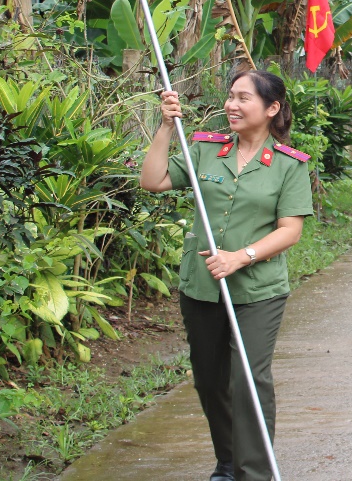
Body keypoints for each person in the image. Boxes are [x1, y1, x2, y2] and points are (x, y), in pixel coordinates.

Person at [139, 69, 313, 481]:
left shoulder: (288, 165)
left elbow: (291, 230)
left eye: (243, 98)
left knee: (250, 379)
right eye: (230, 97)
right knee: (211, 379)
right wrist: (166, 128)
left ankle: (255, 472)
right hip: (201, 286)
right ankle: (229, 459)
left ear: (272, 109)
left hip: (258, 291)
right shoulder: (204, 148)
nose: (232, 105)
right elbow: (152, 180)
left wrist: (241, 257)